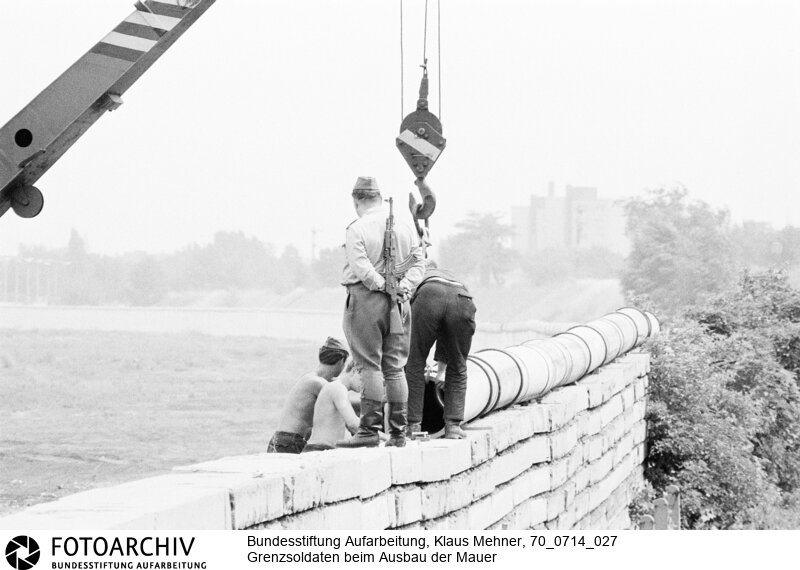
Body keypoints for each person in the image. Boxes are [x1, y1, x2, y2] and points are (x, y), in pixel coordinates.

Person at [338, 176, 425, 448]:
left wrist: (383, 286)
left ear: (357, 200)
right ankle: (398, 433)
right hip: (400, 302)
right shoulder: (406, 227)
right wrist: (402, 289)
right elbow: (419, 263)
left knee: (369, 365)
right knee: (395, 367)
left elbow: (361, 268)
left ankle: (369, 430)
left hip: (366, 300)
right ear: (378, 197)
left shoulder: (357, 228)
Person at [405, 260, 476, 439]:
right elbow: (447, 338)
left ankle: (413, 426)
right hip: (463, 299)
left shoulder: (419, 276)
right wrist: (440, 373)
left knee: (414, 361)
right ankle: (452, 427)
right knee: (459, 364)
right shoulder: (452, 277)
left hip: (429, 296)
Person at [266, 337, 349, 453]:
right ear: (341, 361)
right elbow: (344, 406)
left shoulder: (311, 378)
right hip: (289, 441)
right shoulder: (317, 383)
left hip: (284, 440)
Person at [302, 365, 364, 452]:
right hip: (319, 449)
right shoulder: (338, 388)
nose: (366, 385)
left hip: (321, 448)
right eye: (365, 379)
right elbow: (353, 424)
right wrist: (384, 437)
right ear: (355, 371)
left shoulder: (337, 389)